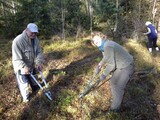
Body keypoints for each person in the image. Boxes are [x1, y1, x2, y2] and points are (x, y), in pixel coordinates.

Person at [91, 32, 135, 111]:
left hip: (127, 66)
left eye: (97, 39)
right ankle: (117, 99)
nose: (96, 41)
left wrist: (104, 74)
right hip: (120, 65)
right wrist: (99, 65)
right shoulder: (103, 46)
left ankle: (114, 109)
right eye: (94, 41)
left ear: (102, 37)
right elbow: (106, 58)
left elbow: (111, 65)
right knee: (113, 81)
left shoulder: (107, 46)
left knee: (119, 86)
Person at [12, 23, 43, 103]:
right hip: (21, 68)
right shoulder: (17, 41)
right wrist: (23, 67)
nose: (34, 34)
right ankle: (26, 100)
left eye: (35, 33)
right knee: (24, 85)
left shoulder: (35, 39)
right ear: (26, 30)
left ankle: (36, 91)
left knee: (34, 80)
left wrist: (38, 62)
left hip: (31, 65)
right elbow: (16, 58)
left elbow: (39, 52)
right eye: (32, 32)